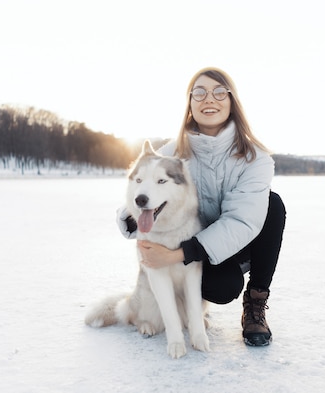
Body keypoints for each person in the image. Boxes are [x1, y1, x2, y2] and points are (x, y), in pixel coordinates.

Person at [118, 67, 286, 347]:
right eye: (200, 92)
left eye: (220, 92)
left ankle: (255, 302)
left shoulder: (256, 159)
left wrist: (176, 255)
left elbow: (241, 222)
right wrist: (135, 219)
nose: (210, 99)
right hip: (193, 248)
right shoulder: (172, 154)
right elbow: (144, 187)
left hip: (234, 245)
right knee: (221, 286)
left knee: (273, 205)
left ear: (232, 102)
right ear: (190, 104)